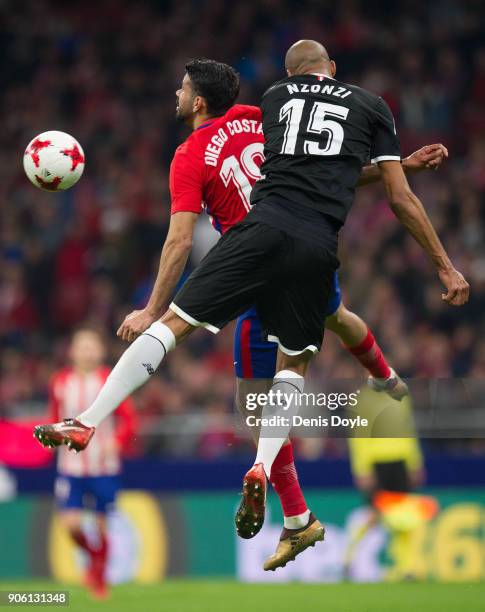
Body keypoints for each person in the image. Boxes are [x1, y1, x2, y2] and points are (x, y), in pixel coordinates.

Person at [34, 42, 468, 570]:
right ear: (328, 71)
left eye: (182, 87)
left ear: (197, 102)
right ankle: (316, 477)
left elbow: (177, 242)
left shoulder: (198, 150)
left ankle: (89, 419)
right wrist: (400, 172)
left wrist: (150, 305)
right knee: (321, 335)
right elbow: (324, 169)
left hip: (254, 245)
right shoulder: (264, 116)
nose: (176, 91)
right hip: (315, 250)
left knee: (207, 361)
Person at [47, 326, 137, 598]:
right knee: (71, 524)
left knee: (100, 524)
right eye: (81, 346)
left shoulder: (110, 380)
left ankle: (99, 576)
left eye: (91, 346)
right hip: (70, 467)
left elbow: (129, 420)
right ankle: (95, 557)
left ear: (100, 351)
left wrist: (117, 442)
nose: (87, 351)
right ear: (72, 352)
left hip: (103, 466)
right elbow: (55, 417)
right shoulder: (60, 383)